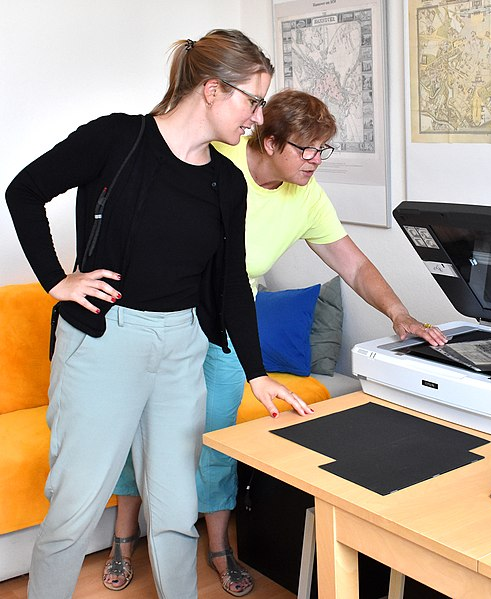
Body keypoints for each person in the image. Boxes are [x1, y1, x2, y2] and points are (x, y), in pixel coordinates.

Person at [5, 30, 312, 599]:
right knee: (74, 509)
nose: (257, 117)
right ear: (214, 90)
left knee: (175, 509)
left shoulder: (227, 182)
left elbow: (230, 285)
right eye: (254, 100)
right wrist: (57, 281)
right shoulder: (115, 140)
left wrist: (257, 373)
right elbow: (23, 191)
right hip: (104, 344)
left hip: (183, 349)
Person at [109, 89, 447, 596]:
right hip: (168, 311)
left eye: (322, 150)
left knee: (219, 435)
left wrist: (400, 314)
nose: (315, 161)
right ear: (268, 142)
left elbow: (352, 263)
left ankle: (221, 546)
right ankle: (122, 537)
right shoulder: (217, 157)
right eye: (305, 150)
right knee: (142, 427)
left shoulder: (307, 196)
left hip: (229, 322)